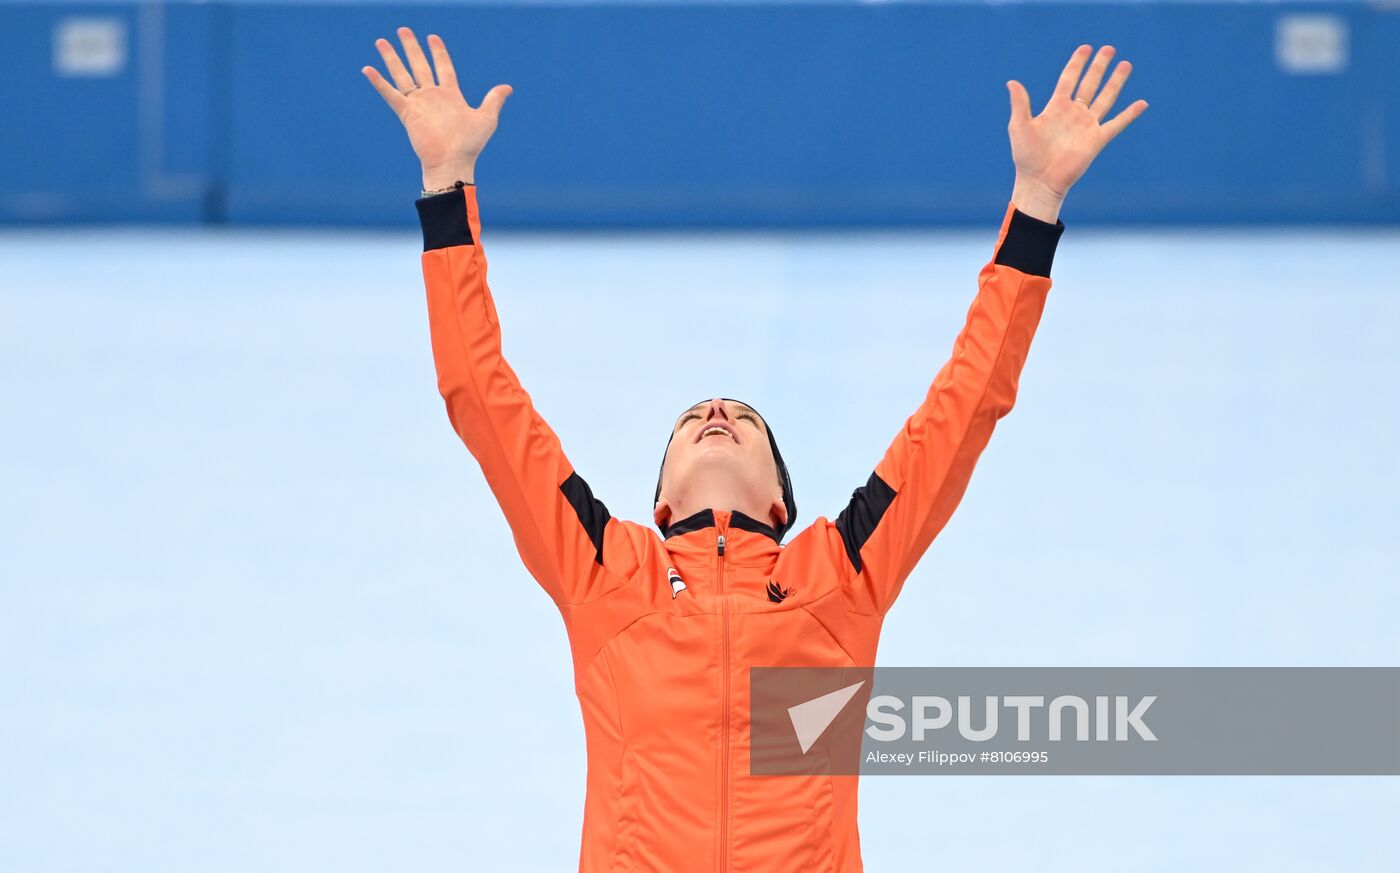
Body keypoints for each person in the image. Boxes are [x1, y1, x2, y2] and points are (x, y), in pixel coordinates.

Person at [363, 28, 1145, 873]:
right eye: (697, 415)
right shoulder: (603, 570)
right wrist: (446, 185)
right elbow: (479, 395)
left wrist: (1035, 204)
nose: (716, 411)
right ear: (658, 505)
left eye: (742, 414)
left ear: (783, 500)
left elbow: (967, 406)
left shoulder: (840, 579)